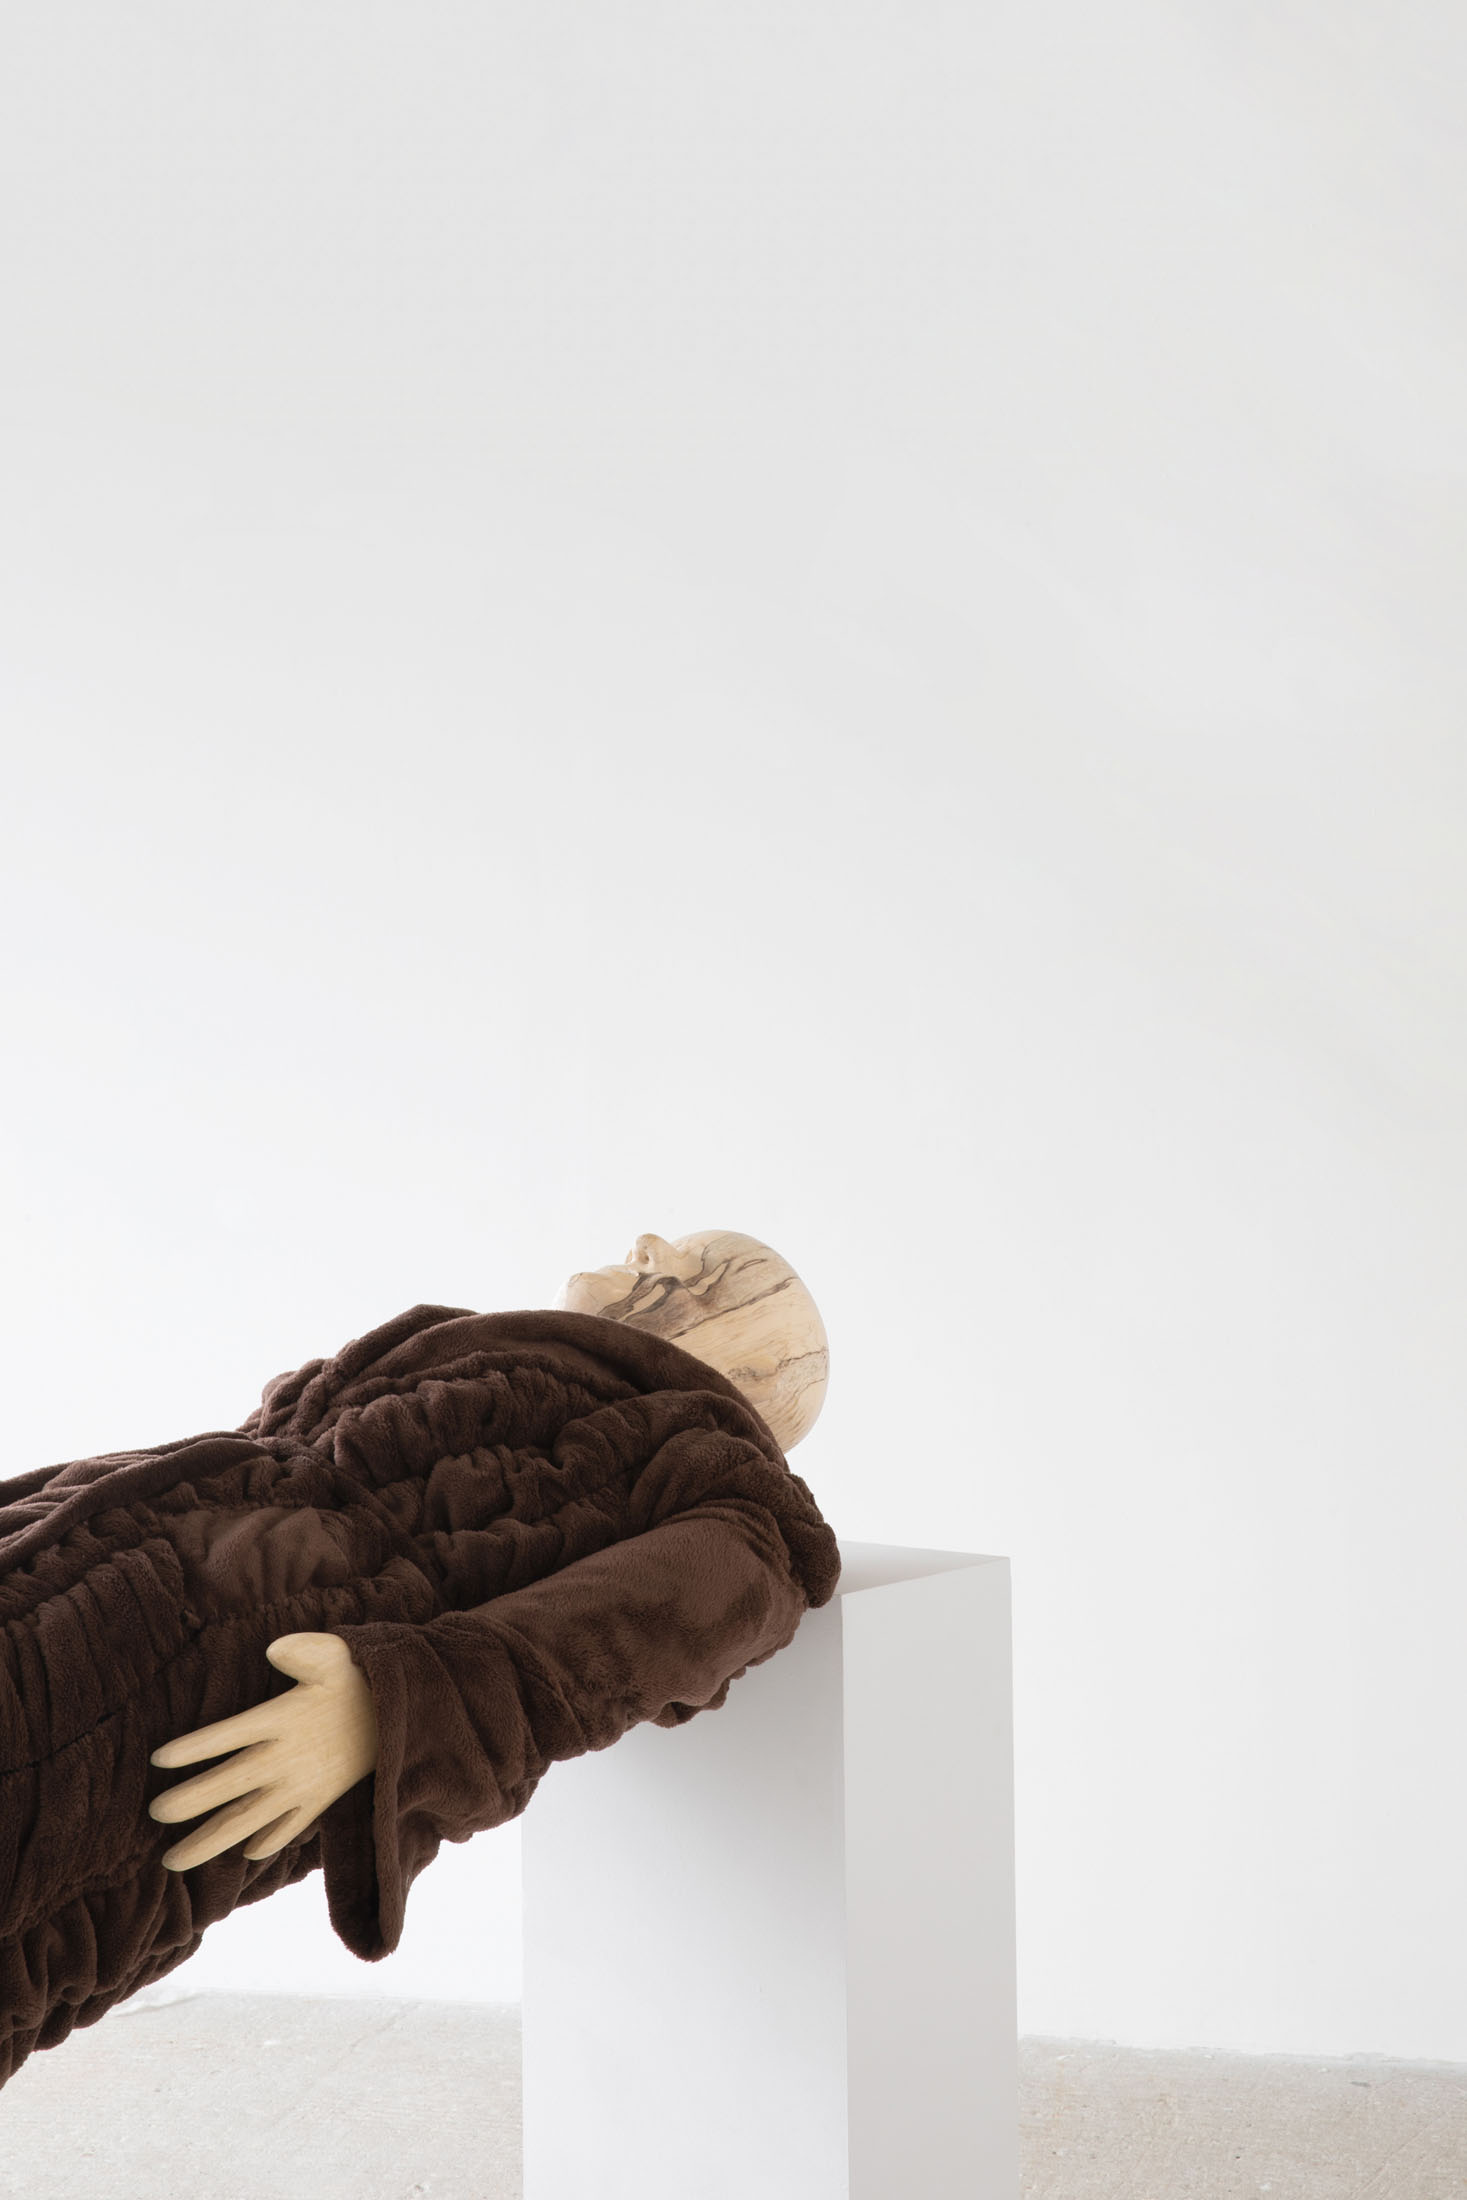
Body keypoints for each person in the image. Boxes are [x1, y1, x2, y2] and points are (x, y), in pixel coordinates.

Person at [0, 1230, 837, 2091]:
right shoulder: (495, 1343)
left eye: (708, 1271)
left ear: (761, 1369)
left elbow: (651, 1621)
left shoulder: (721, 1479)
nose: (650, 1242)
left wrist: (389, 1708)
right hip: (86, 1554)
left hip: (212, 1677)